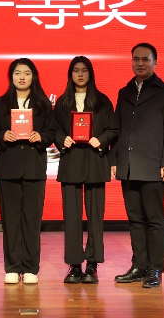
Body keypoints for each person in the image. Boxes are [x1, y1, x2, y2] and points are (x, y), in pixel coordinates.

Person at [111, 43, 164, 288]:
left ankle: (155, 269)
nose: (140, 63)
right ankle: (139, 266)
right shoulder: (124, 92)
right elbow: (118, 129)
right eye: (136, 59)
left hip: (153, 166)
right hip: (128, 165)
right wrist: (114, 160)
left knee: (154, 220)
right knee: (135, 219)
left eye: (145, 59)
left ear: (155, 62)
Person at [0, 58, 54, 285]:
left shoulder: (43, 104)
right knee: (11, 220)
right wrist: (2, 136)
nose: (22, 77)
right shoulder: (1, 103)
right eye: (17, 73)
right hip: (8, 168)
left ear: (34, 76)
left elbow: (53, 132)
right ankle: (13, 267)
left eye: (26, 73)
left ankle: (31, 267)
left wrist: (41, 136)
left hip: (34, 167)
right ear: (11, 76)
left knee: (32, 219)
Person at [53, 56, 119, 284]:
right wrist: (62, 139)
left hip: (95, 161)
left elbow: (113, 129)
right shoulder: (62, 102)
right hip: (71, 161)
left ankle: (92, 264)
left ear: (90, 73)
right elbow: (54, 129)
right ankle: (74, 265)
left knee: (95, 217)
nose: (80, 74)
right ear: (70, 74)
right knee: (71, 217)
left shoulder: (102, 101)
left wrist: (101, 139)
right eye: (76, 70)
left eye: (84, 70)